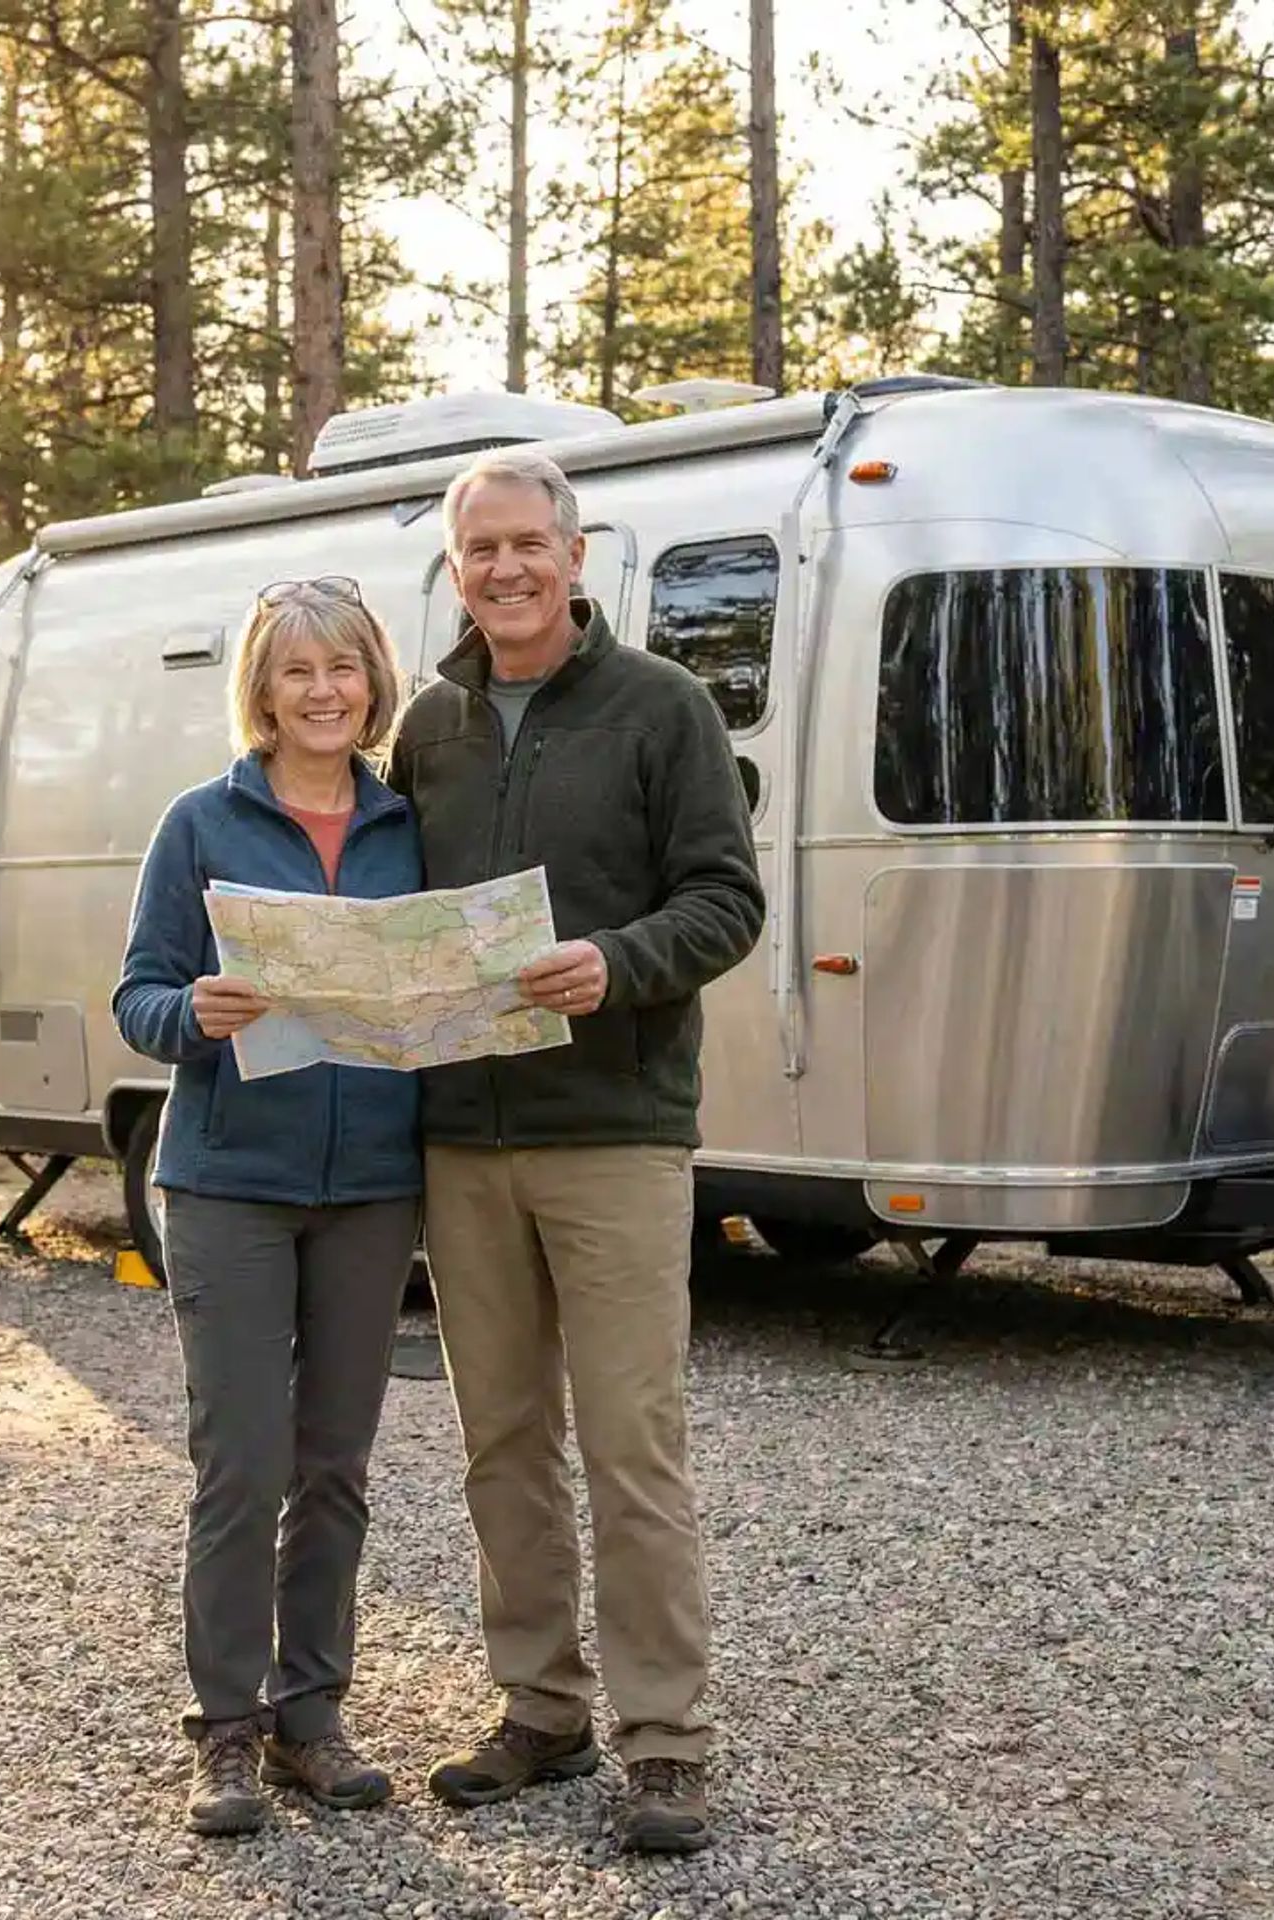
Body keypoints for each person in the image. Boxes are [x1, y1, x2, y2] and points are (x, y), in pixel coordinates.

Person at [387, 447, 765, 1854]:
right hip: (462, 1137)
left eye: (526, 544)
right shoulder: (428, 726)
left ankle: (665, 1742)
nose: (504, 571)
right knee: (500, 1446)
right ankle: (539, 1709)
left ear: (577, 550)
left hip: (613, 1134)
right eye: (479, 550)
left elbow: (729, 900)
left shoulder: (663, 710)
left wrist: (618, 961)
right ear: (458, 565)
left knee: (631, 1445)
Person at [112, 577, 422, 1839]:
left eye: (343, 668)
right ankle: (224, 1732)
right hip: (230, 1184)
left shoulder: (414, 827)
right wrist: (198, 1015)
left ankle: (311, 1721)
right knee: (241, 1464)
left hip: (372, 1189)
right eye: (298, 671)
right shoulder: (201, 824)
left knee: (336, 1467)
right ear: (264, 688)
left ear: (372, 682)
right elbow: (137, 996)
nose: (324, 691)